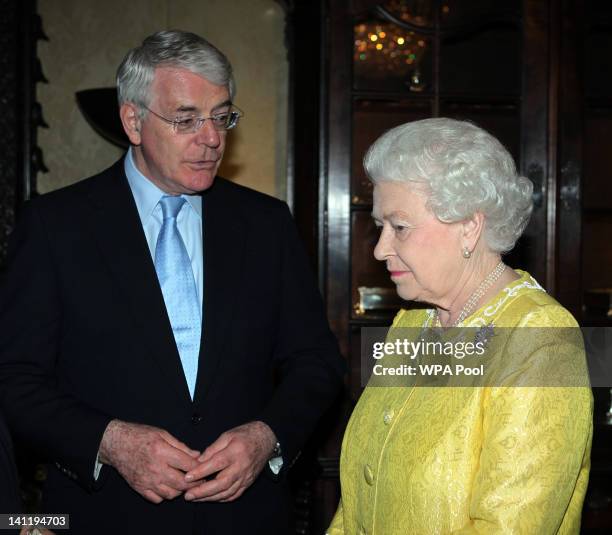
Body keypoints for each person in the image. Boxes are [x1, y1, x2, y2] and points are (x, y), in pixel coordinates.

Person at [0, 30, 344, 534]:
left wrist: (267, 437)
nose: (211, 138)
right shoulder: (56, 226)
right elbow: (13, 376)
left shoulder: (265, 224)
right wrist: (110, 442)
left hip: (245, 518)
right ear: (133, 121)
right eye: (186, 120)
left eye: (222, 116)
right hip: (106, 516)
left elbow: (317, 361)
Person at [327, 118, 592, 534]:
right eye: (380, 227)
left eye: (400, 227)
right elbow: (359, 496)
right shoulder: (410, 326)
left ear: (470, 225)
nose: (380, 248)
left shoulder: (542, 340)